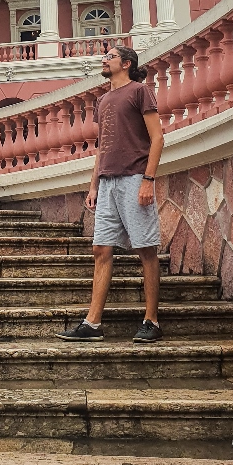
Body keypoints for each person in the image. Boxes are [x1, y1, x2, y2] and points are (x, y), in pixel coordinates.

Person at [56, 45, 165, 344]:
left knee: (146, 248)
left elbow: (157, 138)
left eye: (110, 56)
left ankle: (151, 320)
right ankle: (92, 324)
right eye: (105, 57)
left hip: (134, 178)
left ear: (126, 63)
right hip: (107, 182)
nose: (104, 60)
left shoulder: (140, 91)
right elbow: (102, 148)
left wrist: (148, 180)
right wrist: (94, 185)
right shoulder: (102, 100)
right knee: (101, 250)